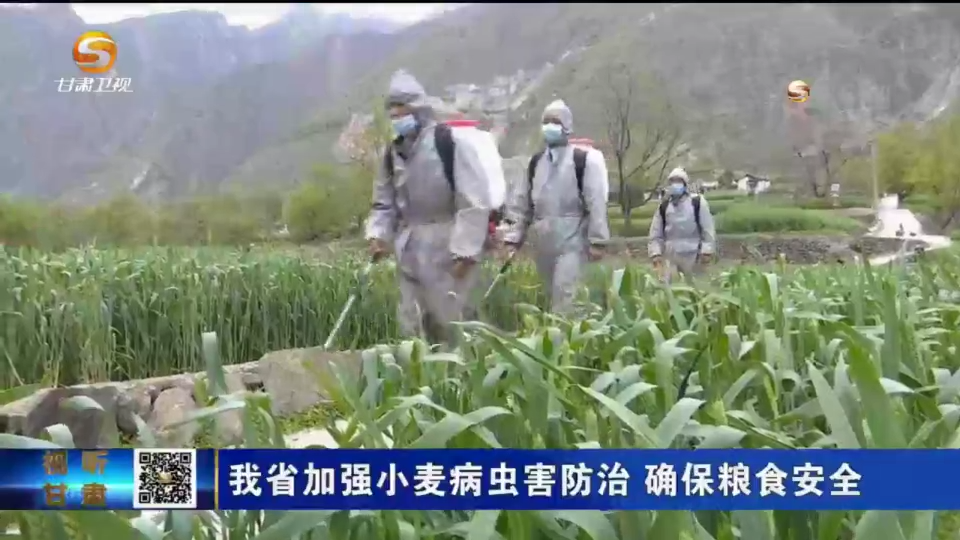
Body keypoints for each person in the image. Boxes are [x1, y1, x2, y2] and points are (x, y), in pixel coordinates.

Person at [366, 70, 497, 346]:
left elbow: (472, 200)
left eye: (402, 112)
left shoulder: (449, 144)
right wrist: (378, 234)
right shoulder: (392, 155)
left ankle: (466, 383)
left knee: (454, 326)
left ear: (419, 110)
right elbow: (384, 202)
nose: (397, 119)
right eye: (393, 115)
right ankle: (421, 382)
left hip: (448, 247)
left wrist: (466, 252)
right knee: (412, 325)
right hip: (409, 249)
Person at [502, 99, 610, 314]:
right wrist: (513, 239)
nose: (550, 126)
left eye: (555, 121)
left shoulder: (582, 161)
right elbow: (521, 204)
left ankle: (569, 343)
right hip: (544, 244)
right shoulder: (535, 164)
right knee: (551, 297)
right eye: (546, 121)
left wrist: (598, 240)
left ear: (567, 126)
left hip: (572, 242)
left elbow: (595, 202)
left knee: (567, 298)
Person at [648, 167, 717, 281]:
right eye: (673, 181)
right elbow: (656, 233)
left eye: (679, 181)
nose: (676, 184)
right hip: (671, 258)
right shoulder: (664, 207)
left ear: (685, 184)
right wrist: (655, 254)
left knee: (696, 288)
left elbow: (708, 229)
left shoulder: (697, 203)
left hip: (694, 256)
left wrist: (707, 251)